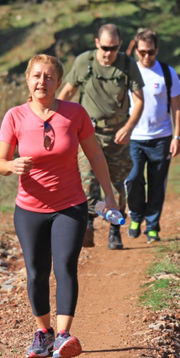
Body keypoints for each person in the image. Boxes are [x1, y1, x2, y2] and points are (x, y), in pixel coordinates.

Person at [0, 54, 119, 358]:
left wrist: (110, 196)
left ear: (59, 82)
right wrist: (12, 164)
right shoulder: (15, 116)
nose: (42, 82)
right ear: (27, 79)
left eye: (49, 77)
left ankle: (63, 336)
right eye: (37, 76)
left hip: (70, 206)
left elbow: (96, 156)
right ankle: (43, 333)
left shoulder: (75, 114)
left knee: (64, 267)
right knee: (37, 273)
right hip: (29, 209)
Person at [58, 24, 145, 250]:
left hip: (118, 136)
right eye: (105, 47)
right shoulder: (84, 62)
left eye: (114, 48)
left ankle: (114, 229)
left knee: (116, 187)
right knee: (86, 183)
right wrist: (57, 122)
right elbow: (67, 93)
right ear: (97, 43)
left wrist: (129, 127)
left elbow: (140, 101)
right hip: (89, 134)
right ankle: (88, 223)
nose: (109, 53)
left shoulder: (127, 65)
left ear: (120, 45)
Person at [125, 29, 180, 243]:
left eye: (150, 52)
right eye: (142, 52)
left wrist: (178, 137)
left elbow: (177, 107)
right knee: (133, 178)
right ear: (136, 51)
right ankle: (136, 215)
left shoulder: (167, 73)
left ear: (157, 50)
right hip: (135, 138)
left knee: (157, 183)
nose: (146, 57)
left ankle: (152, 227)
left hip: (162, 137)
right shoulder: (129, 72)